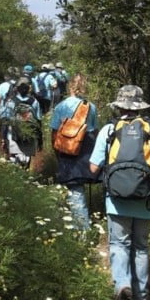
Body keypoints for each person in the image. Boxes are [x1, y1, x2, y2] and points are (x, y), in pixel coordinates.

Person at [89, 85, 150, 300]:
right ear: (139, 107)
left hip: (116, 201)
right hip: (145, 199)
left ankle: (122, 286)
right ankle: (140, 298)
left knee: (119, 244)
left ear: (118, 106)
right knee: (141, 246)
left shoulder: (108, 130)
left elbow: (92, 168)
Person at [50, 73, 100, 231]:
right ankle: (81, 225)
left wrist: (57, 152)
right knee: (79, 185)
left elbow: (54, 132)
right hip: (86, 147)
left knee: (74, 188)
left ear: (70, 87)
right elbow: (94, 130)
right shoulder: (91, 107)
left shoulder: (61, 106)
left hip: (67, 147)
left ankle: (82, 230)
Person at [5, 76, 42, 168]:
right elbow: (38, 121)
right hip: (29, 137)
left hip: (14, 137)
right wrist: (40, 140)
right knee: (26, 161)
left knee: (14, 163)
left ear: (16, 88)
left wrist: (3, 138)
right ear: (29, 88)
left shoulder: (11, 102)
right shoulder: (34, 102)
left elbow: (5, 120)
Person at [0, 66, 20, 155]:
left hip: (4, 113)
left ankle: (4, 150)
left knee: (3, 132)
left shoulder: (3, 85)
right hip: (16, 114)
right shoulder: (19, 85)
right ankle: (15, 152)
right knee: (14, 133)